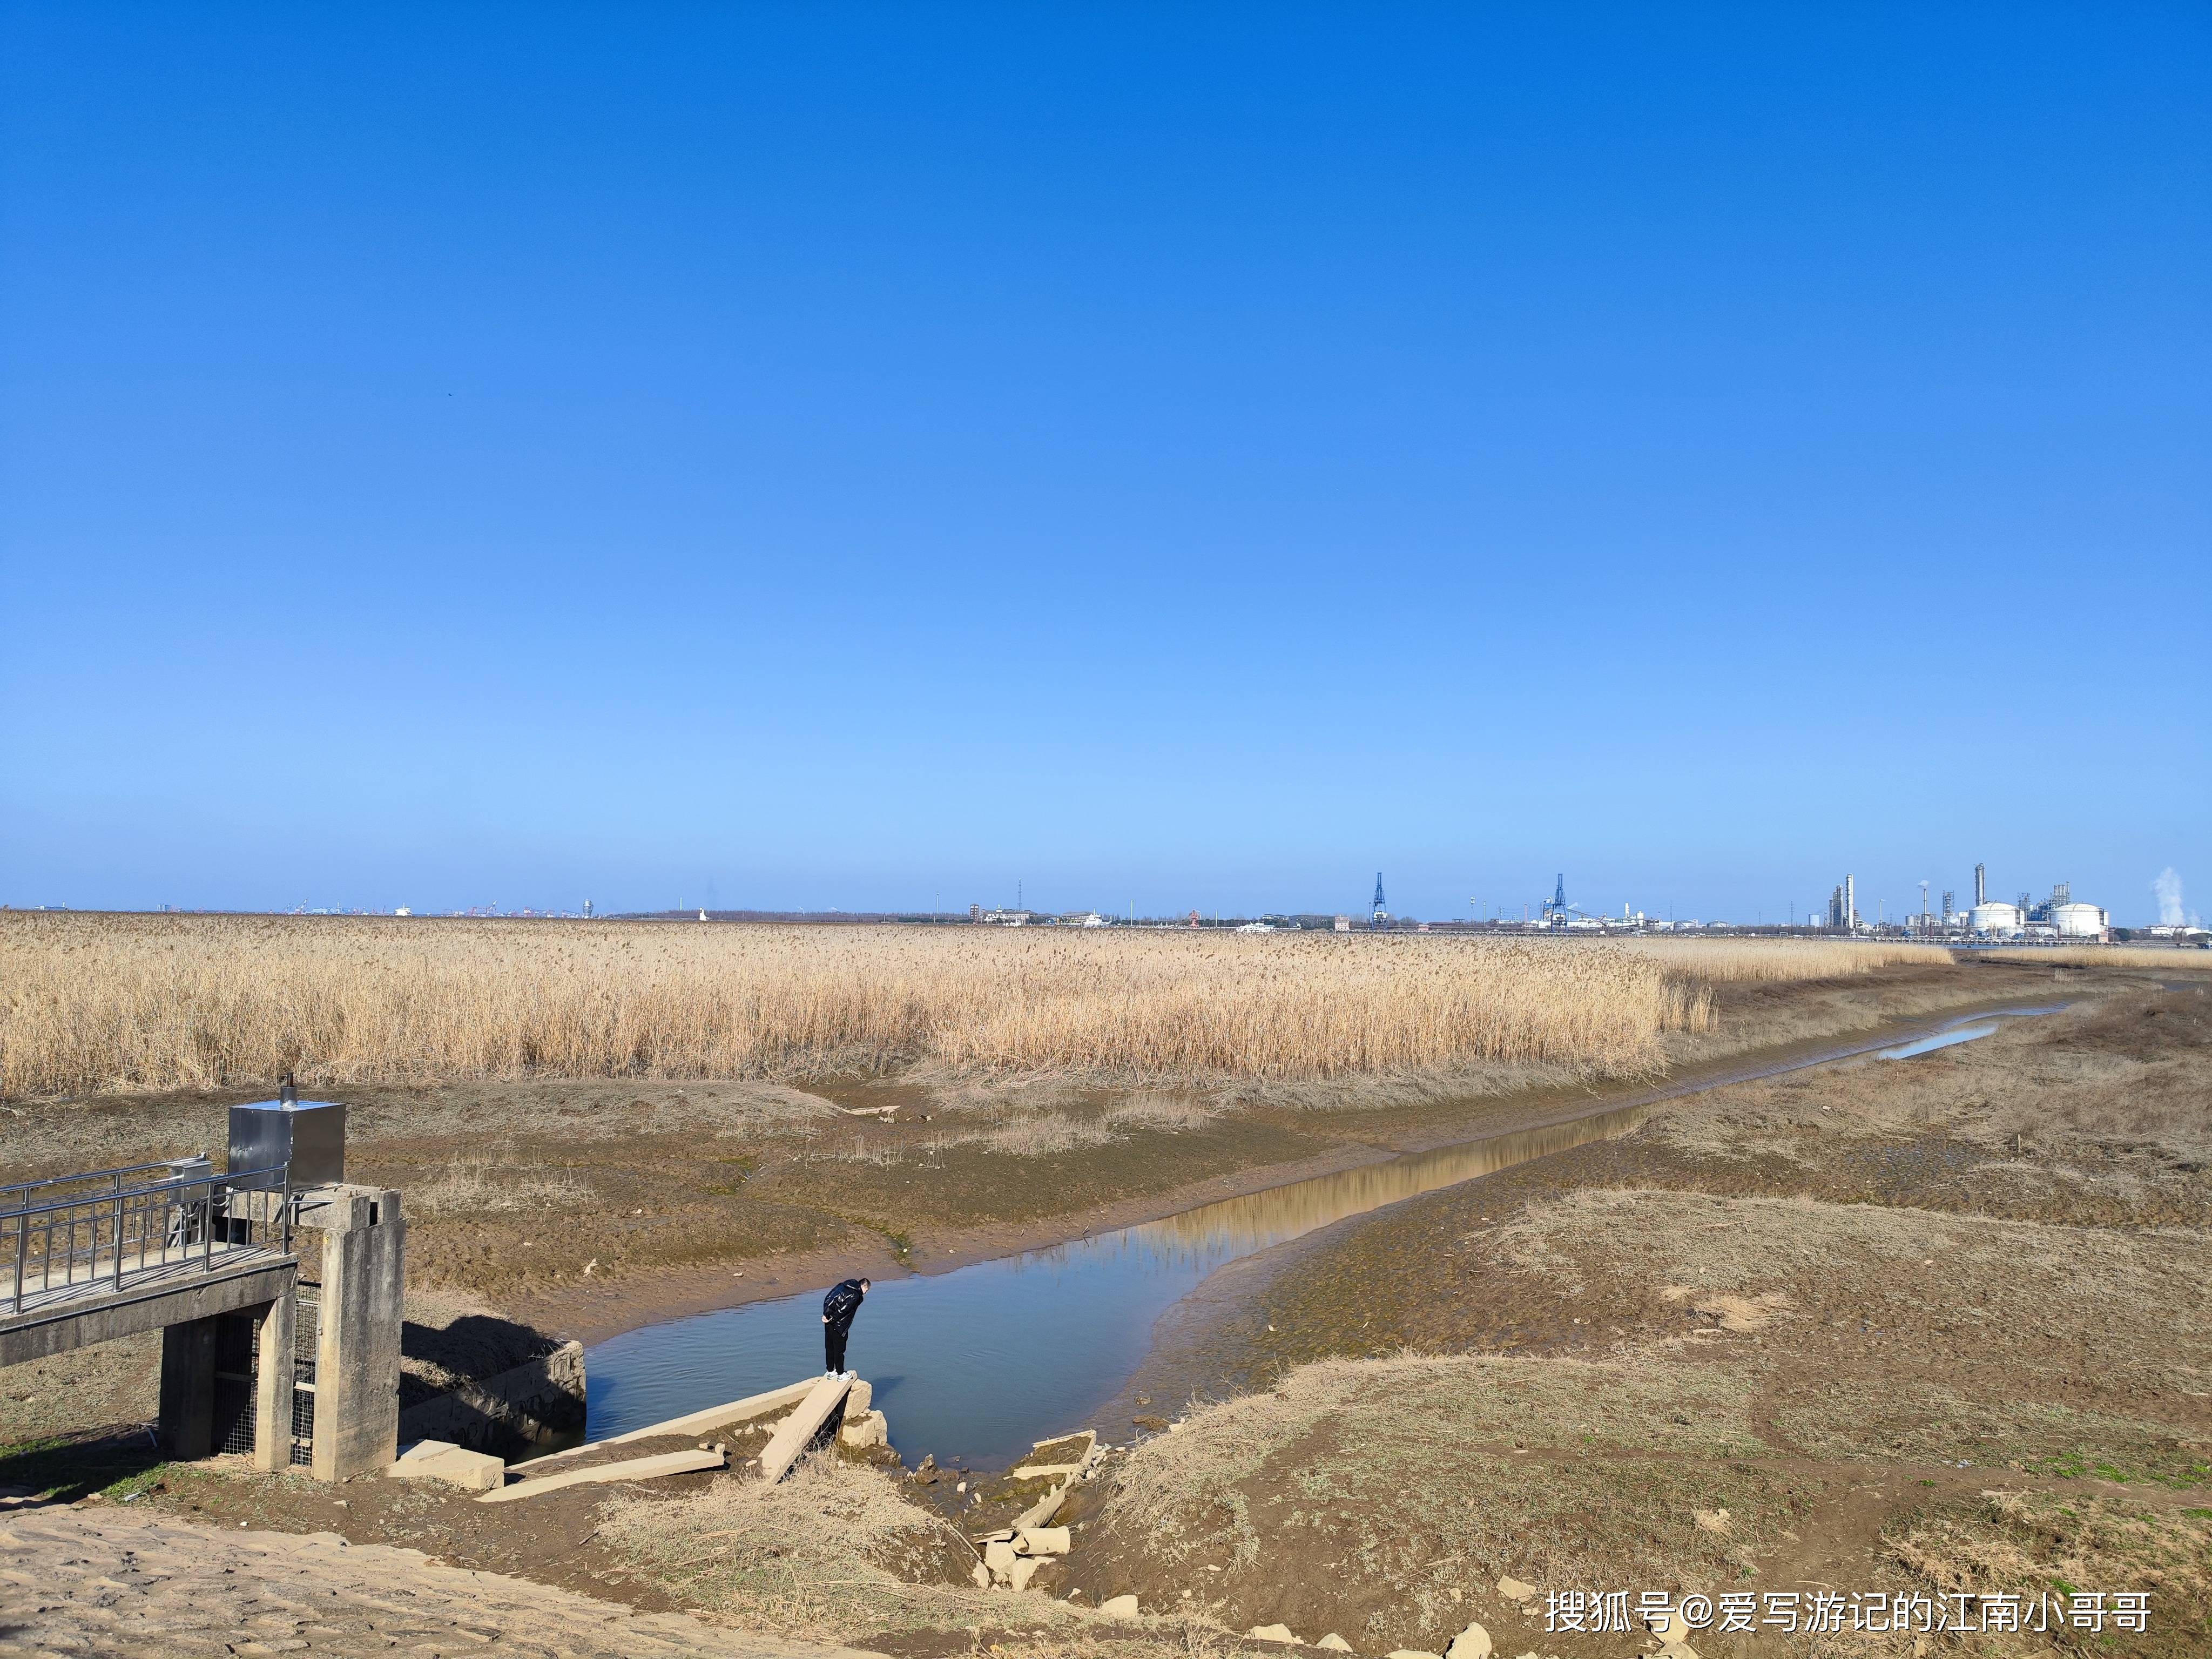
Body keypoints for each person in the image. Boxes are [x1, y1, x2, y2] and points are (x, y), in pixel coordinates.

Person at [821, 1277, 869, 1375]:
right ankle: (840, 1374)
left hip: (828, 1322)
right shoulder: (855, 1295)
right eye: (866, 1290)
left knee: (829, 1347)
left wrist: (826, 1314)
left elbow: (829, 1297)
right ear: (863, 1286)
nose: (865, 1293)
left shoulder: (842, 1285)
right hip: (839, 1325)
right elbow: (844, 1309)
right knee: (840, 1350)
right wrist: (833, 1319)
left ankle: (830, 1371)